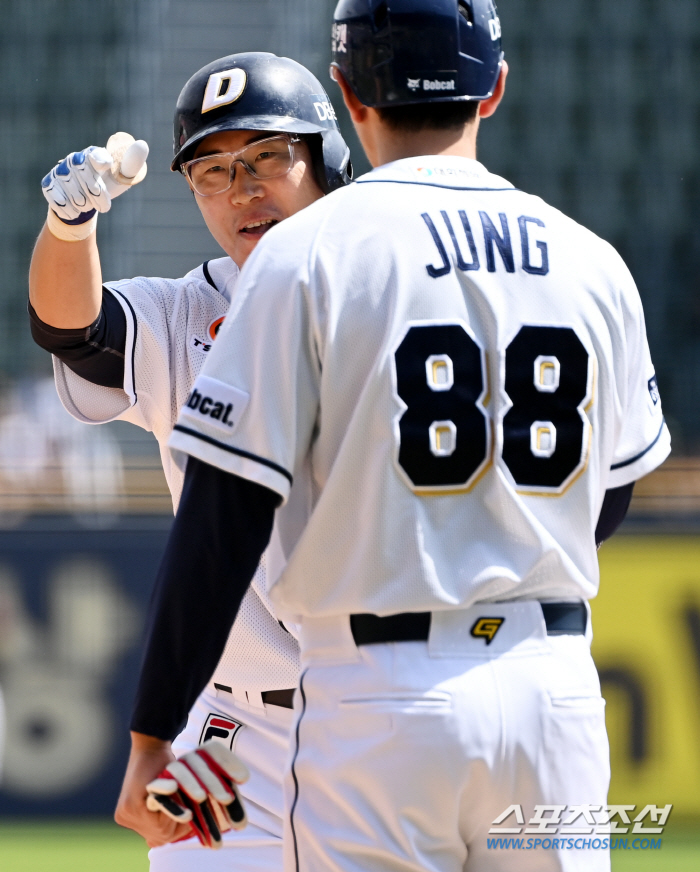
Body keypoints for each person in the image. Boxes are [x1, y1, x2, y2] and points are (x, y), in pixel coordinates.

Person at [131, 1, 671, 869]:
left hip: (379, 696)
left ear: (348, 97)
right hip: (554, 688)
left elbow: (223, 513)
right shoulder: (591, 259)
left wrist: (154, 736)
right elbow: (608, 498)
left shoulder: (305, 254)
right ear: (494, 89)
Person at [28, 51, 351, 870]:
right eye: (212, 171)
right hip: (233, 734)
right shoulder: (184, 313)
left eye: (267, 157)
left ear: (326, 159)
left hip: (379, 711)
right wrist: (70, 226)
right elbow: (74, 330)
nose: (242, 190)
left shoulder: (397, 293)